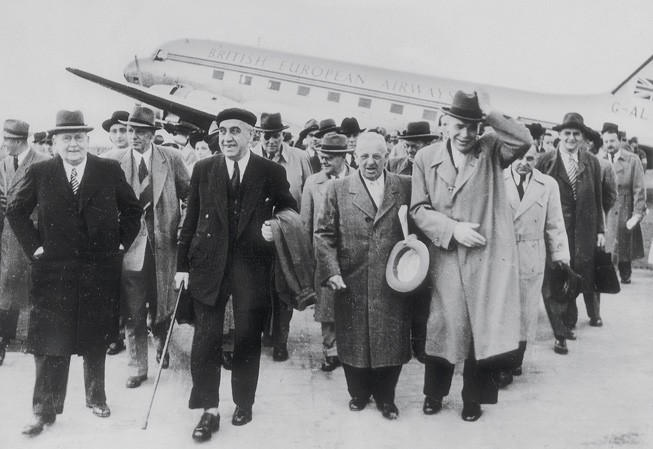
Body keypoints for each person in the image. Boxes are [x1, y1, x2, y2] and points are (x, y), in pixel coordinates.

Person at [7, 110, 142, 436]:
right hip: (54, 271)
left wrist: (119, 245)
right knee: (49, 340)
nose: (73, 144)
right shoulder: (41, 172)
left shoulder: (108, 169)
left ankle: (96, 398)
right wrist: (35, 248)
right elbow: (16, 210)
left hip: (98, 269)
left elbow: (133, 210)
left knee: (95, 336)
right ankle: (44, 410)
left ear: (86, 140)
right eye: (66, 138)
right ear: (55, 141)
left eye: (79, 137)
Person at [174, 108, 297, 442]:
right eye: (222, 131)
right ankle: (208, 410)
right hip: (208, 266)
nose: (226, 138)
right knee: (205, 340)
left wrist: (275, 225)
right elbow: (191, 220)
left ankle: (244, 402)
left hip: (251, 268)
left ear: (252, 135)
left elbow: (289, 209)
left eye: (235, 131)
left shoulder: (270, 171)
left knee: (246, 339)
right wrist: (181, 266)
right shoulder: (204, 168)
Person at [410, 90, 532, 421]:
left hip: (485, 257)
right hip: (447, 255)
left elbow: (523, 139)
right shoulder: (425, 157)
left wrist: (491, 112)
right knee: (443, 327)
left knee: (482, 330)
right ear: (445, 123)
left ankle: (473, 400)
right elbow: (419, 209)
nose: (466, 135)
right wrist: (451, 229)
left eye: (473, 127)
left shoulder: (492, 149)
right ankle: (434, 394)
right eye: (459, 126)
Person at [314, 132, 412, 420]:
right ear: (354, 158)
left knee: (390, 341)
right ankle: (358, 393)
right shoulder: (338, 189)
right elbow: (323, 234)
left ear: (387, 158)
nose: (371, 162)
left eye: (377, 156)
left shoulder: (404, 186)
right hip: (351, 279)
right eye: (365, 156)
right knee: (354, 340)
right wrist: (331, 270)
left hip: (393, 279)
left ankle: (386, 397)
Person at [102, 106, 189, 388]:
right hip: (130, 249)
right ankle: (137, 367)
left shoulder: (172, 158)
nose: (134, 136)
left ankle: (162, 340)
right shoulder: (112, 161)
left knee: (162, 302)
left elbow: (191, 198)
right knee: (133, 309)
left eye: (140, 131)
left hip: (165, 245)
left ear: (152, 134)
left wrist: (181, 226)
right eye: (130, 131)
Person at [500, 145, 570, 383]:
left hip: (532, 253)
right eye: (519, 157)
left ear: (537, 159)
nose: (524, 162)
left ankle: (515, 361)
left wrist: (561, 258)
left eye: (530, 158)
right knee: (503, 308)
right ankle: (501, 362)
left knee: (525, 310)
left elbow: (555, 224)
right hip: (503, 253)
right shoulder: (498, 179)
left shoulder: (547, 185)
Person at [536, 112, 604, 353]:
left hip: (582, 231)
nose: (571, 138)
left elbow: (597, 198)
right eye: (567, 133)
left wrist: (600, 230)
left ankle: (568, 321)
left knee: (576, 275)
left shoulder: (592, 162)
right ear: (560, 135)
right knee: (555, 276)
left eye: (576, 134)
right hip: (554, 229)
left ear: (583, 137)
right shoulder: (546, 161)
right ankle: (561, 331)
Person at [251, 112, 312, 361]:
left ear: (283, 135)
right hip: (256, 235)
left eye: (275, 136)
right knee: (259, 287)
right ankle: (263, 332)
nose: (271, 141)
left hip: (289, 234)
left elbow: (308, 194)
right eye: (266, 136)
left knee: (284, 289)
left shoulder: (300, 158)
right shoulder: (251, 157)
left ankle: (281, 340)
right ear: (259, 136)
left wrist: (302, 231)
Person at [300, 133, 354, 372]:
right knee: (328, 304)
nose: (324, 161)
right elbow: (305, 222)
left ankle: (353, 350)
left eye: (330, 157)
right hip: (325, 252)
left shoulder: (359, 177)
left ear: (344, 157)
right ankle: (330, 351)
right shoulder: (313, 182)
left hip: (354, 253)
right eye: (322, 156)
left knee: (353, 302)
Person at [0, 120, 50, 365]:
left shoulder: (43, 161)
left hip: (35, 234)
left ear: (18, 140)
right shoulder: (6, 163)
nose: (4, 143)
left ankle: (35, 339)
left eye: (7, 139)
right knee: (8, 286)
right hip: (11, 234)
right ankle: (3, 340)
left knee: (35, 288)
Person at [101, 110, 131, 356]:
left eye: (124, 130)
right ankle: (116, 335)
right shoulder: (103, 161)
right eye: (114, 131)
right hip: (112, 233)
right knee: (113, 286)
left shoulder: (141, 157)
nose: (120, 135)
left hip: (140, 231)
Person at [601, 123, 646, 285]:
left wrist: (637, 214)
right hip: (606, 207)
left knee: (624, 242)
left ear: (619, 140)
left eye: (612, 141)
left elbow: (639, 189)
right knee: (606, 241)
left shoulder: (632, 160)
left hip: (624, 205)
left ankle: (625, 271)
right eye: (606, 142)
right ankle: (608, 273)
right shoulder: (600, 160)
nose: (609, 145)